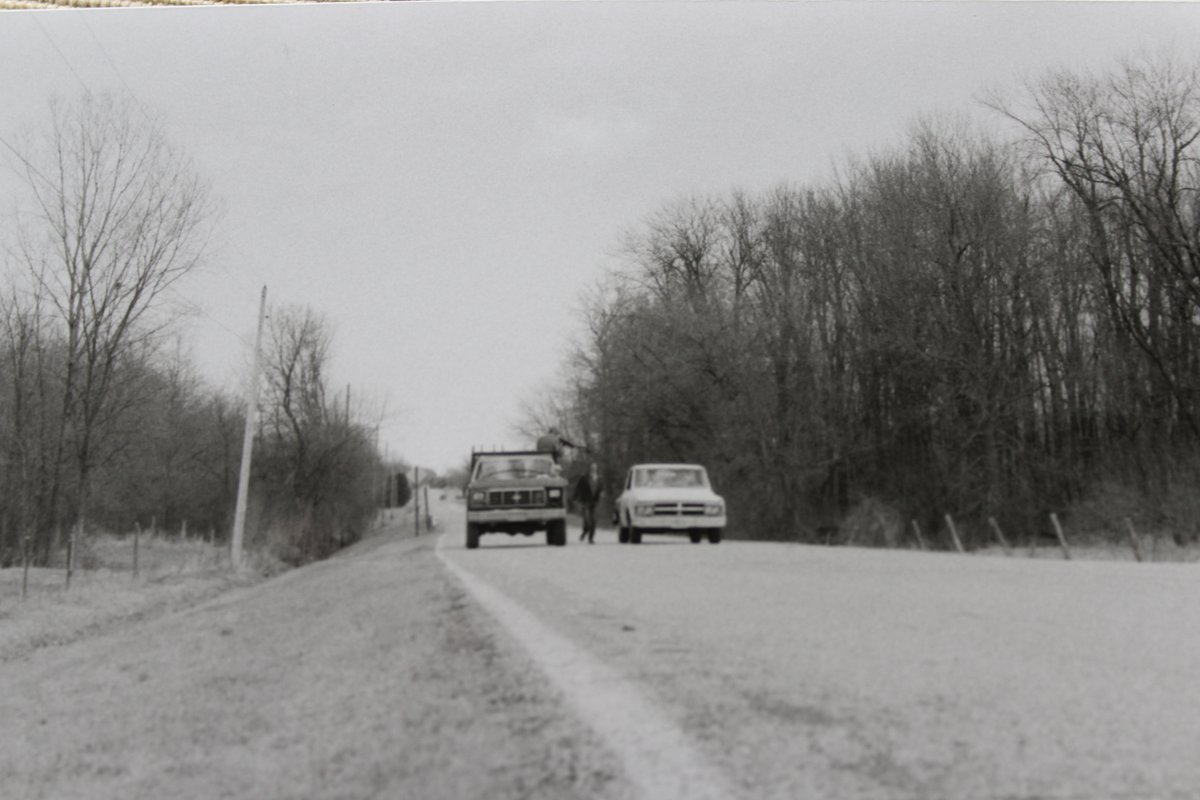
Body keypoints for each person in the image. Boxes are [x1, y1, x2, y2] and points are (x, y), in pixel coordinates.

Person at [572, 462, 604, 544]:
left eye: (595, 467)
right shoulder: (584, 478)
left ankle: (591, 539)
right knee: (587, 521)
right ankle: (584, 532)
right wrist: (574, 498)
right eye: (592, 467)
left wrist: (602, 494)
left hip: (594, 502)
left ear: (596, 468)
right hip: (585, 502)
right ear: (590, 468)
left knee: (593, 521)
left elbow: (601, 489)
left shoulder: (599, 478)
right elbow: (578, 488)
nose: (594, 468)